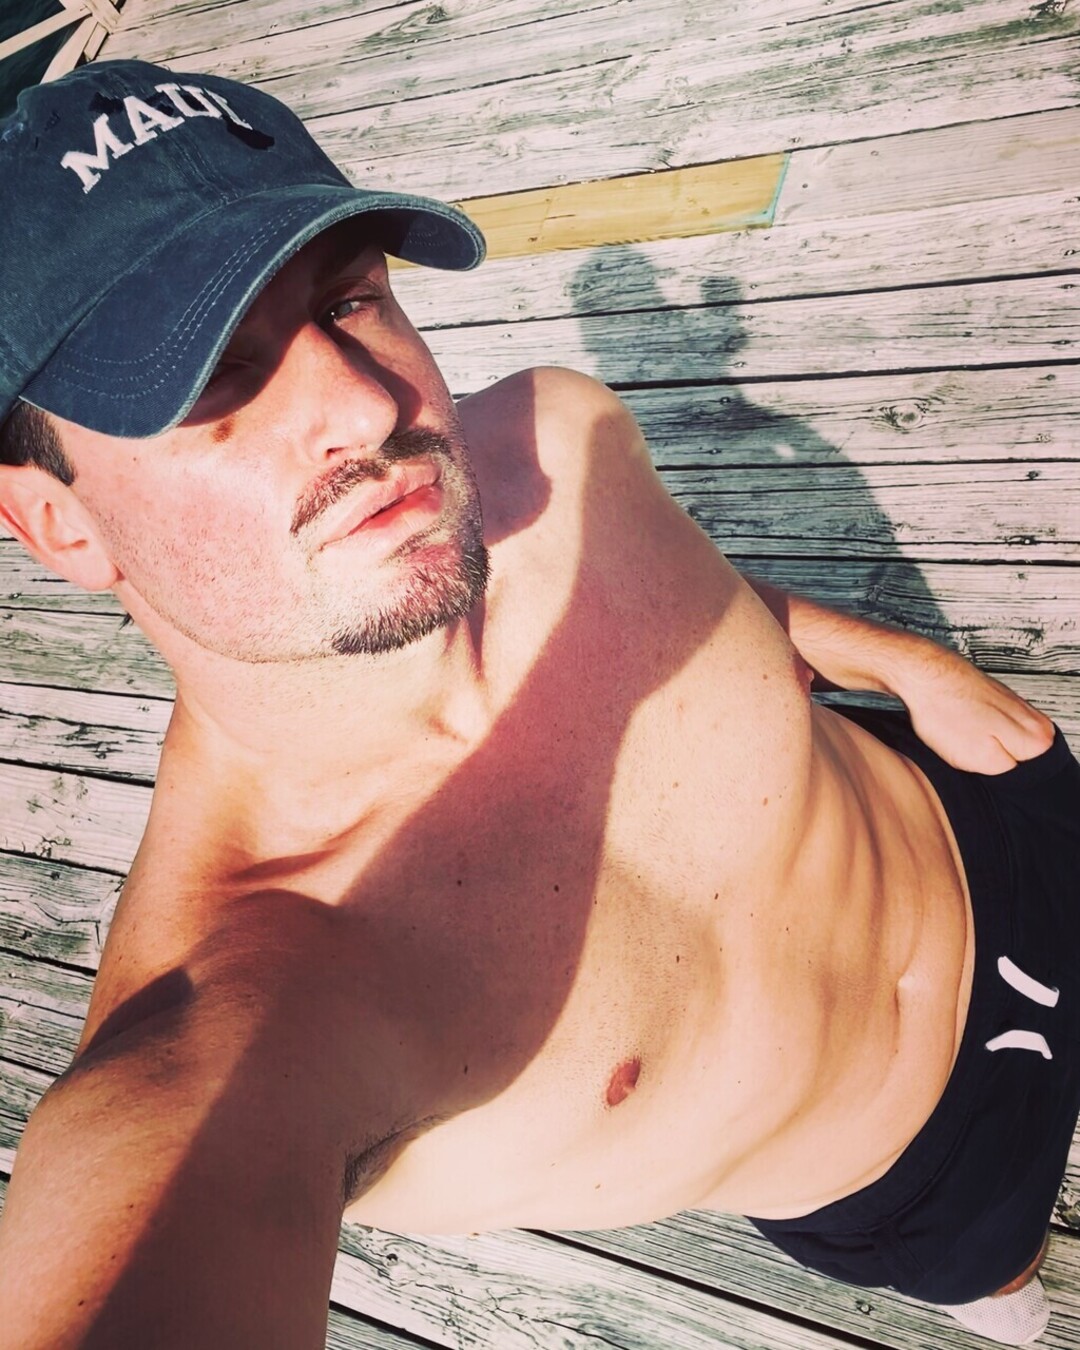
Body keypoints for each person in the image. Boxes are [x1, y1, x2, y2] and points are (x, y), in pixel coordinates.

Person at [0, 59, 1075, 1350]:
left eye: (348, 299)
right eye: (214, 376)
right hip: (937, 1182)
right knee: (1001, 1276)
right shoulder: (245, 1007)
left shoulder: (555, 445)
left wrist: (905, 663)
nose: (365, 405)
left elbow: (703, 591)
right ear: (57, 523)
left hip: (997, 813)